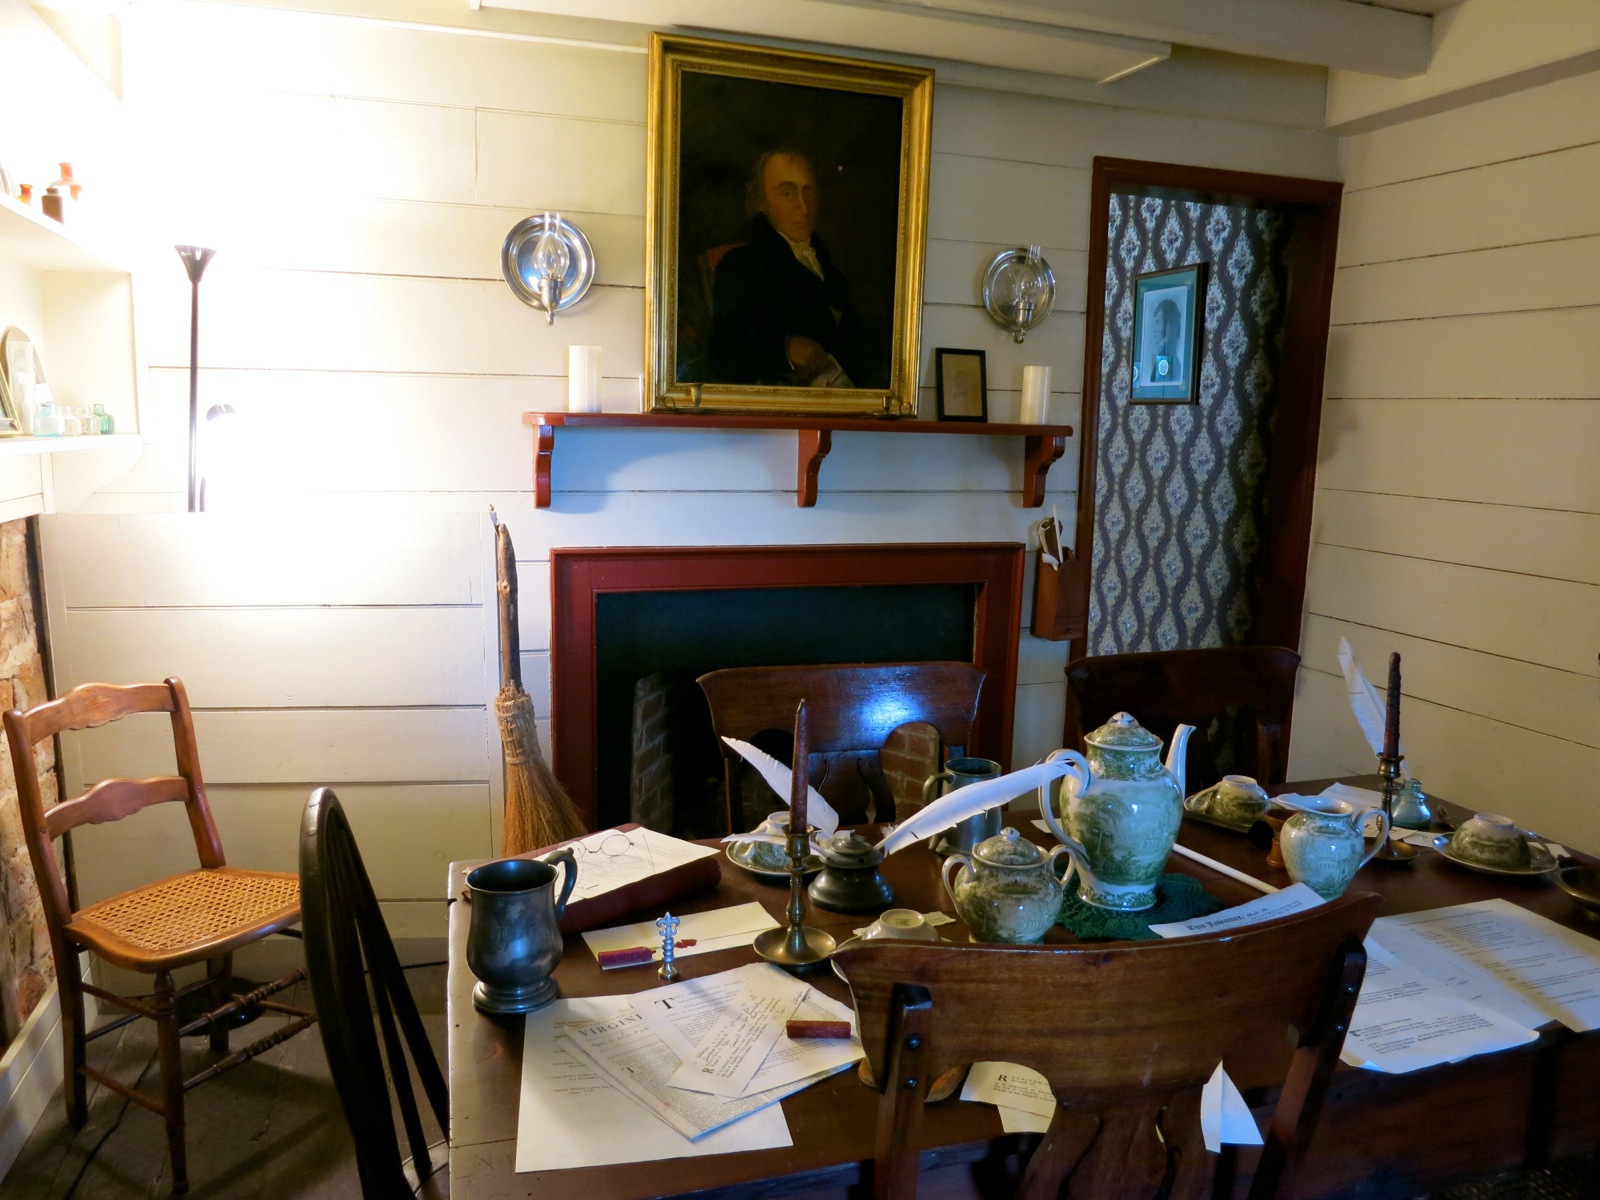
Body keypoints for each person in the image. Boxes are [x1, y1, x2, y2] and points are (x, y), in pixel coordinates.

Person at [707, 149, 886, 388]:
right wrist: (786, 349)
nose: (804, 207)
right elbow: (723, 355)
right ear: (762, 201)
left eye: (808, 191)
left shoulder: (830, 261)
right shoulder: (741, 265)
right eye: (787, 193)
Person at [1144, 296, 1183, 386]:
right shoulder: (1160, 354)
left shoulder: (1171, 363)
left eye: (1158, 322)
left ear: (1168, 326)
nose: (1154, 329)